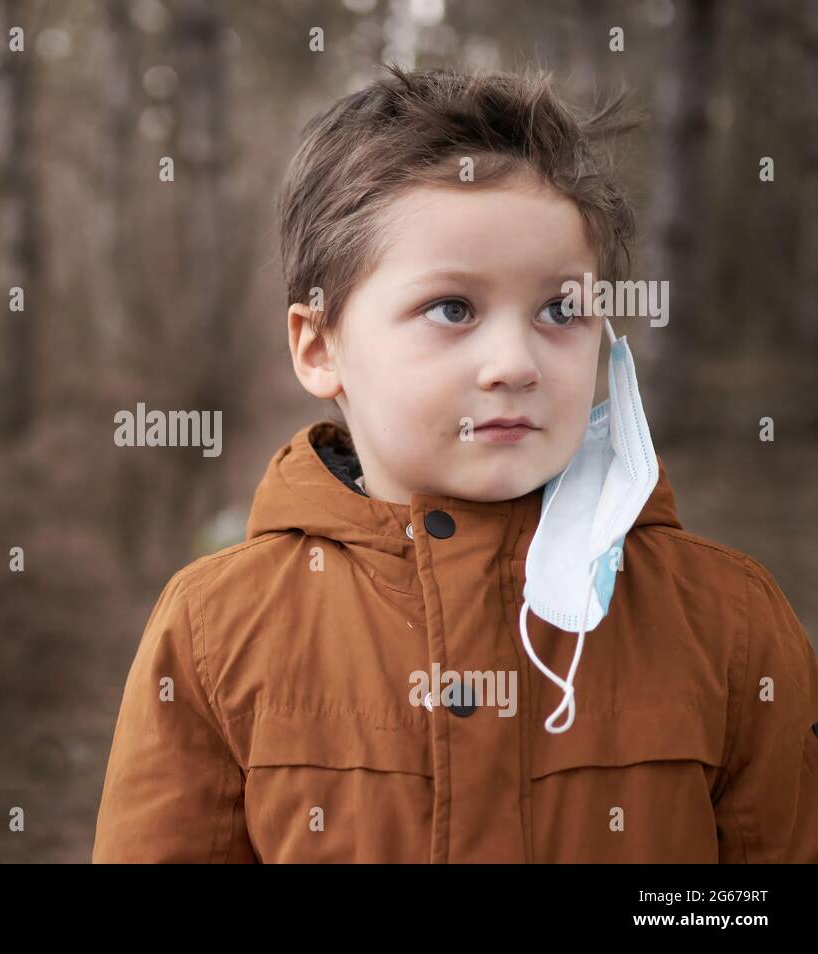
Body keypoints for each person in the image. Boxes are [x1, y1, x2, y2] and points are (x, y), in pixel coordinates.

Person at [92, 65, 818, 863]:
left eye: (560, 310)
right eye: (451, 309)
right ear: (318, 344)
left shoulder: (732, 625)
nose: (514, 363)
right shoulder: (214, 632)